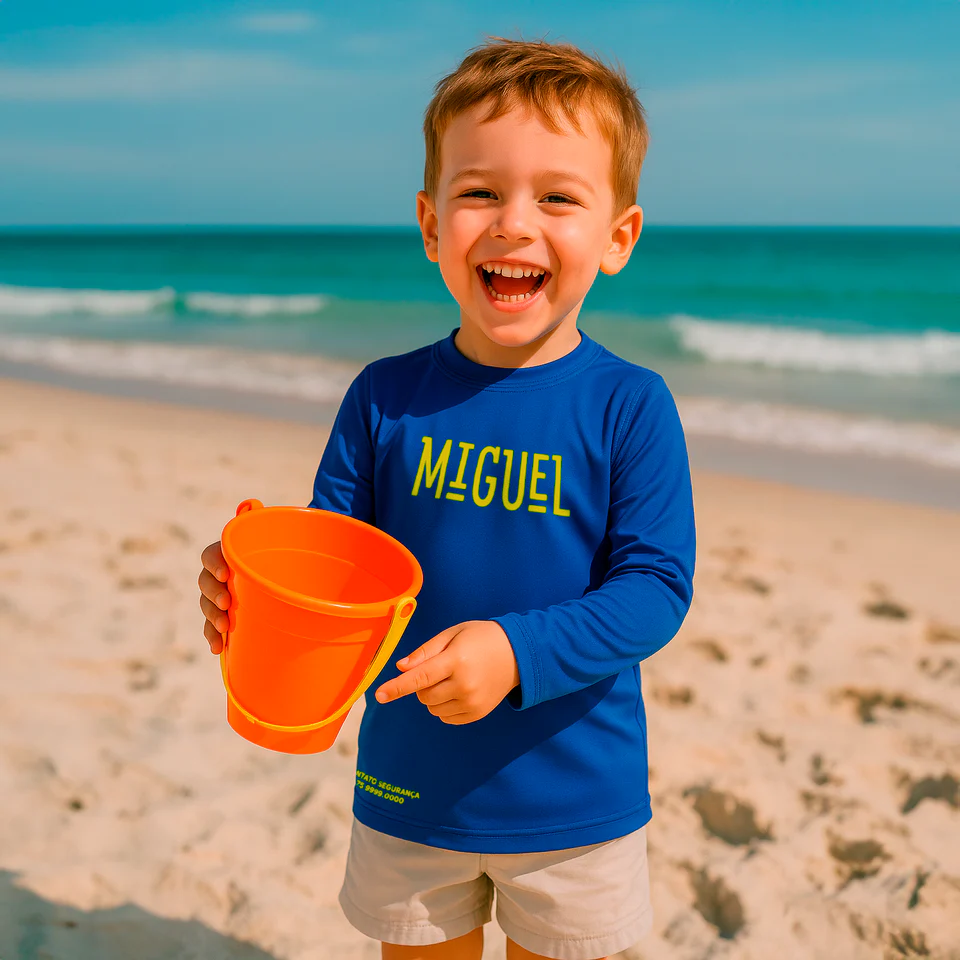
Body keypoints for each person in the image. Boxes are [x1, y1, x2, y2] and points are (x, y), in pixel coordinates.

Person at [198, 35, 695, 960]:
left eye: (557, 196)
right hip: (410, 785)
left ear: (617, 237)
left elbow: (655, 590)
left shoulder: (629, 406)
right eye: (479, 192)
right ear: (431, 226)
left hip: (573, 797)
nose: (513, 223)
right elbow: (335, 568)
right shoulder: (384, 397)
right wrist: (255, 587)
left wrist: (518, 648)